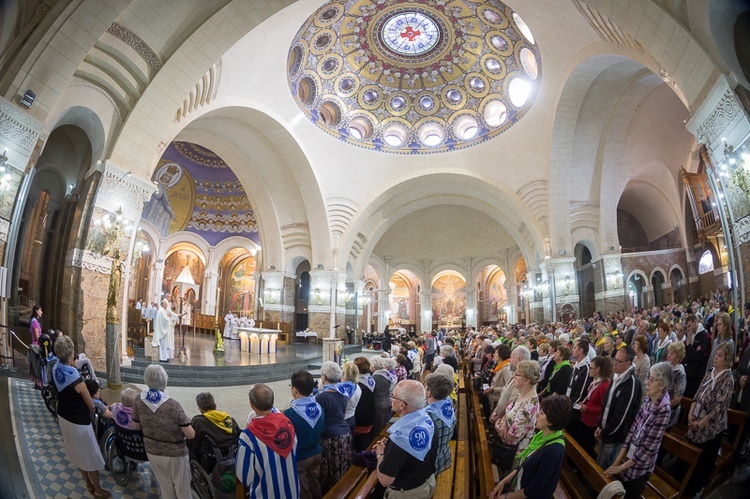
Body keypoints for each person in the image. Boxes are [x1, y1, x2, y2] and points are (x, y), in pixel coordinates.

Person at [52, 335, 111, 498]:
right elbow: (91, 405)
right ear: (70, 354)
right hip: (79, 422)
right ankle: (98, 489)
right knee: (90, 456)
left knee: (77, 454)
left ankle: (88, 484)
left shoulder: (55, 368)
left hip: (64, 417)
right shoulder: (76, 379)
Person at [604, 362, 673, 499]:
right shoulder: (648, 399)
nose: (647, 382)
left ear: (662, 385)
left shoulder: (664, 410)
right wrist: (617, 462)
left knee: (630, 495)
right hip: (630, 457)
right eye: (649, 377)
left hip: (641, 466)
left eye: (652, 380)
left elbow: (647, 450)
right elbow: (632, 431)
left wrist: (620, 468)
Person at [489, 394, 572, 499]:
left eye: (541, 413)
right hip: (521, 485)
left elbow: (533, 490)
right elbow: (524, 464)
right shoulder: (541, 435)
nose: (537, 415)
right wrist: (504, 482)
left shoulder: (554, 451)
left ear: (550, 422)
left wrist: (506, 497)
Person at [131, 364, 195, 499]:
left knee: (166, 488)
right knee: (182, 490)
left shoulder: (138, 399)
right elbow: (190, 434)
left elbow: (135, 426)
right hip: (175, 454)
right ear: (164, 381)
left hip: (152, 451)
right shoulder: (173, 405)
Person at [684, 342, 735, 497]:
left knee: (702, 462)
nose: (716, 358)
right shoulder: (710, 372)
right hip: (696, 421)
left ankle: (695, 489)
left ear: (726, 359)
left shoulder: (728, 378)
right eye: (716, 354)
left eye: (720, 356)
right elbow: (697, 394)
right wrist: (690, 414)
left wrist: (700, 423)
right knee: (691, 457)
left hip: (711, 428)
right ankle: (686, 483)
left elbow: (719, 409)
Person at [372, 380, 438, 497]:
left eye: (393, 396)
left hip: (408, 492)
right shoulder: (429, 421)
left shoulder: (399, 438)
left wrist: (380, 453)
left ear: (402, 405)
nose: (391, 398)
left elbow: (385, 480)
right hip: (427, 482)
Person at [237, 383, 299, 498]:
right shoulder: (288, 423)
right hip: (292, 492)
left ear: (251, 404)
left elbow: (244, 477)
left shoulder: (248, 436)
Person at [595, 346, 642, 469]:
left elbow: (621, 417)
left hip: (615, 437)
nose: (614, 363)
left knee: (604, 468)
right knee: (598, 462)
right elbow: (606, 404)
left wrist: (604, 432)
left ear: (627, 363)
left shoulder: (631, 384)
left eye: (618, 361)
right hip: (605, 432)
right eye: (614, 359)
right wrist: (600, 426)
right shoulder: (616, 377)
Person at [493, 360, 540, 472]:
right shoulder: (521, 394)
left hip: (515, 454)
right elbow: (507, 412)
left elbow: (511, 438)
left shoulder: (529, 404)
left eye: (517, 374)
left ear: (527, 380)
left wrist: (498, 426)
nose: (513, 376)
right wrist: (503, 424)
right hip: (507, 446)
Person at [284, 370, 325, 499]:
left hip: (301, 457)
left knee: (303, 489)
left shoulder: (289, 414)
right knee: (314, 482)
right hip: (317, 453)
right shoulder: (319, 407)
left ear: (295, 390)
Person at [315, 361, 353, 493]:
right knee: (341, 468)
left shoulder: (322, 397)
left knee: (330, 472)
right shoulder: (343, 392)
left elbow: (318, 420)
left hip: (330, 438)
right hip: (344, 433)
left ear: (324, 377)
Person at [578, 356, 613, 458]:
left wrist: (587, 409)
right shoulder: (595, 381)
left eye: (591, 367)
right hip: (584, 418)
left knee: (586, 450)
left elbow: (604, 408)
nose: (589, 369)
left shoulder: (604, 385)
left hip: (592, 423)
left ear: (597, 370)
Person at [188, 392, 240, 458]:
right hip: (233, 456)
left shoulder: (198, 421)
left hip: (210, 460)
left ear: (200, 408)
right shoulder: (228, 419)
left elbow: (192, 445)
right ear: (215, 406)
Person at [424, 372, 456, 476]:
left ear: (429, 393)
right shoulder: (448, 402)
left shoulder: (426, 417)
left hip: (429, 463)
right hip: (443, 455)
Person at [369, 355, 396, 442]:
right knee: (382, 425)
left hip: (378, 406)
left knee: (376, 429)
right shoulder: (386, 374)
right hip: (386, 403)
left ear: (375, 367)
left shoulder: (376, 378)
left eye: (371, 366)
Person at [683, 313, 710, 398]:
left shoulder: (703, 335)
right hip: (688, 371)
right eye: (687, 327)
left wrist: (689, 345)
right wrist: (692, 350)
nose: (688, 329)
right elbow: (686, 355)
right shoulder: (690, 335)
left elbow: (698, 356)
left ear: (695, 321)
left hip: (697, 373)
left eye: (689, 326)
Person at [353, 357, 376, 451]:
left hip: (361, 419)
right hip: (370, 416)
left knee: (359, 443)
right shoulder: (371, 379)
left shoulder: (359, 385)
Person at [665, 341, 686, 428]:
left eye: (672, 353)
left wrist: (662, 407)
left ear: (678, 357)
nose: (669, 355)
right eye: (669, 352)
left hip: (669, 411)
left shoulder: (680, 373)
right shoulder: (667, 367)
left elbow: (677, 399)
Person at [341, 361, 362, 428]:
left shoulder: (343, 389)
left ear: (344, 374)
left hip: (343, 419)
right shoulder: (357, 387)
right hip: (351, 417)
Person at [633, 335, 651, 403]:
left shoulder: (645, 361)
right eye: (635, 343)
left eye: (637, 344)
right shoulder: (635, 358)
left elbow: (641, 380)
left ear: (642, 346)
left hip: (640, 391)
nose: (634, 346)